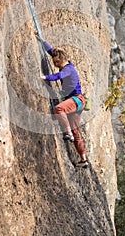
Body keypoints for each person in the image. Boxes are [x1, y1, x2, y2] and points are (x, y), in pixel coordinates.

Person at [37, 36, 88, 168]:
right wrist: (43, 42)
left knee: (59, 109)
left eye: (56, 63)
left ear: (60, 61)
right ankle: (83, 160)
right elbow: (53, 52)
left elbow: (58, 76)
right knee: (76, 131)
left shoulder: (68, 70)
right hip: (78, 102)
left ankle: (68, 133)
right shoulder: (67, 63)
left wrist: (45, 77)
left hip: (77, 99)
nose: (55, 65)